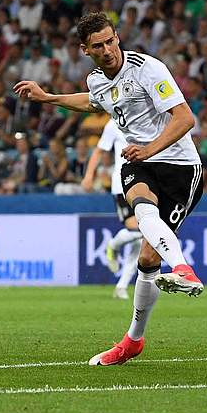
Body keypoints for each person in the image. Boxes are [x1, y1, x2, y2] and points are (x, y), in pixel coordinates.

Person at [15, 12, 204, 367]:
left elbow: (185, 118)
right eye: (98, 46)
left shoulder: (149, 69)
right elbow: (92, 100)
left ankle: (134, 339)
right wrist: (49, 97)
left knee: (148, 259)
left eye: (110, 41)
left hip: (180, 167)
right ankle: (181, 270)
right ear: (85, 49)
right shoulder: (97, 80)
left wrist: (149, 148)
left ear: (118, 37)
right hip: (139, 162)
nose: (108, 50)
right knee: (141, 209)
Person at [82, 119, 143, 299]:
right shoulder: (114, 123)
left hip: (145, 184)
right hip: (121, 185)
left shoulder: (146, 117)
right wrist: (89, 175)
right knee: (139, 230)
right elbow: (100, 150)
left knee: (140, 241)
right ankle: (113, 245)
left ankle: (121, 286)